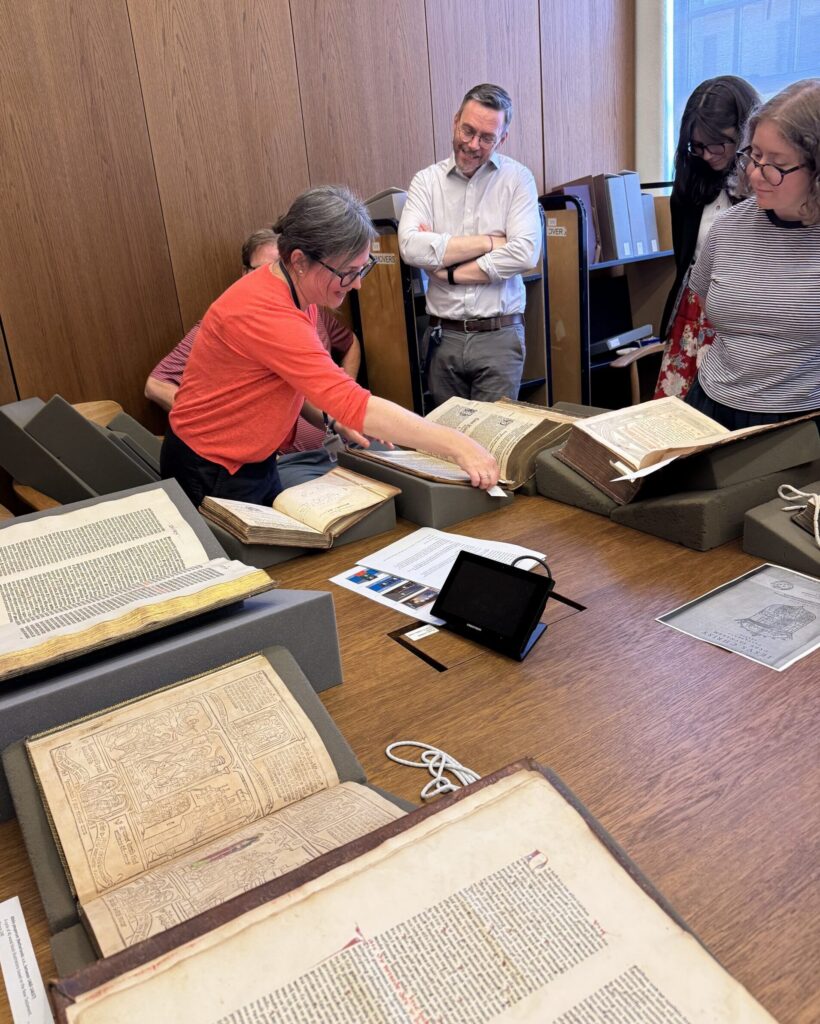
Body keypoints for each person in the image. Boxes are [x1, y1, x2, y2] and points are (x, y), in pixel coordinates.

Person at [160, 185, 499, 507]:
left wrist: (334, 418)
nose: (358, 285)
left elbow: (299, 383)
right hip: (212, 466)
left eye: (362, 268)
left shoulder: (293, 290)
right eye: (348, 272)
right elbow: (354, 402)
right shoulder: (267, 311)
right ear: (299, 259)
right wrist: (457, 445)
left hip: (248, 459)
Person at [147, 229, 362, 486]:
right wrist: (223, 419)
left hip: (272, 458)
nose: (275, 276)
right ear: (246, 273)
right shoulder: (234, 318)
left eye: (280, 267)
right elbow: (155, 384)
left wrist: (337, 413)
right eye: (264, 268)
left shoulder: (308, 307)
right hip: (224, 462)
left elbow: (310, 380)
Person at [682, 78, 820, 429]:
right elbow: (701, 300)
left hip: (799, 419)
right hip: (711, 405)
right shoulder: (727, 228)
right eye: (754, 155)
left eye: (776, 163)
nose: (756, 174)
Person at [398, 83, 541, 407]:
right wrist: (489, 242)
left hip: (499, 336)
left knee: (493, 445)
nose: (473, 144)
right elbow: (410, 247)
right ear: (455, 121)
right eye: (468, 130)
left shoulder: (518, 180)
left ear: (502, 138)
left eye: (487, 137)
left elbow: (524, 252)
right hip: (441, 337)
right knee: (445, 445)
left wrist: (451, 273)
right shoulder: (426, 182)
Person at [655, 76, 761, 399]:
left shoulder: (765, 184)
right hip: (694, 310)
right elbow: (684, 260)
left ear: (745, 133)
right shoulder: (692, 180)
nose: (708, 155)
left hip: (744, 315)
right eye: (698, 146)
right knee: (675, 418)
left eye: (718, 144)